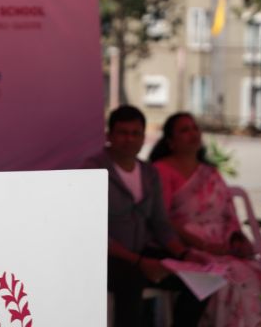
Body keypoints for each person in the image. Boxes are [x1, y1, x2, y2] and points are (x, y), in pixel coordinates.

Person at [84, 105, 209, 327]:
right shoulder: (92, 170)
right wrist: (140, 262)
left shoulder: (149, 173)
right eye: (123, 133)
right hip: (104, 259)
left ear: (144, 137)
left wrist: (184, 253)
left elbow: (160, 223)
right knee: (132, 280)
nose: (129, 139)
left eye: (136, 133)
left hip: (142, 254)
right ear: (109, 136)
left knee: (200, 278)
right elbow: (93, 232)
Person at [149, 112, 261, 327]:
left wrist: (236, 240)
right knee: (231, 276)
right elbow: (163, 218)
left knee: (258, 272)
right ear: (170, 141)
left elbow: (229, 212)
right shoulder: (162, 170)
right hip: (188, 247)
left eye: (195, 128)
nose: (193, 134)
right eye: (184, 130)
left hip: (222, 245)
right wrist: (203, 245)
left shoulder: (210, 172)